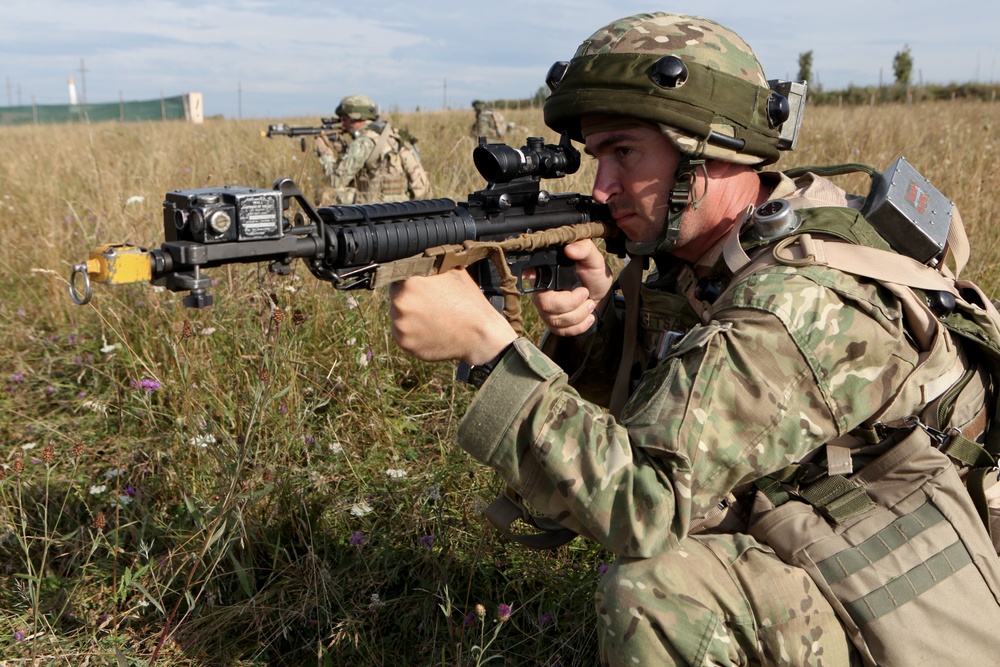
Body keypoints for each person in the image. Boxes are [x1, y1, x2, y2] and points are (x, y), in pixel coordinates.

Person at [389, 12, 1000, 666]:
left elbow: (644, 505)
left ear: (709, 150)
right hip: (846, 507)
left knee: (655, 593)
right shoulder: (750, 235)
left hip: (919, 574)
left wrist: (489, 350)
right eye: (599, 157)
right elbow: (698, 376)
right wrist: (603, 323)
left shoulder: (791, 305)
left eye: (625, 153)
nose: (601, 187)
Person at [315, 94, 429, 205]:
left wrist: (325, 154)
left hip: (376, 206)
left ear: (357, 118)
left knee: (326, 194)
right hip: (403, 204)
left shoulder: (364, 141)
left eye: (345, 119)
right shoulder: (393, 134)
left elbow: (335, 181)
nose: (343, 124)